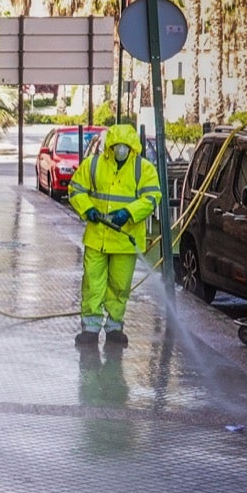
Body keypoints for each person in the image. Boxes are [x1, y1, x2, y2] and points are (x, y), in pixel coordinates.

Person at [67, 122, 160, 347]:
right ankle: (90, 329)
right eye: (117, 145)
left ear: (132, 147)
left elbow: (151, 197)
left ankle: (115, 328)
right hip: (97, 237)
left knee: (120, 286)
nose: (121, 149)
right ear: (110, 146)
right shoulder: (94, 164)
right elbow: (75, 189)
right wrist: (87, 208)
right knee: (92, 283)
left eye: (125, 145)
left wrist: (128, 213)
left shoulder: (143, 169)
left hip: (124, 239)